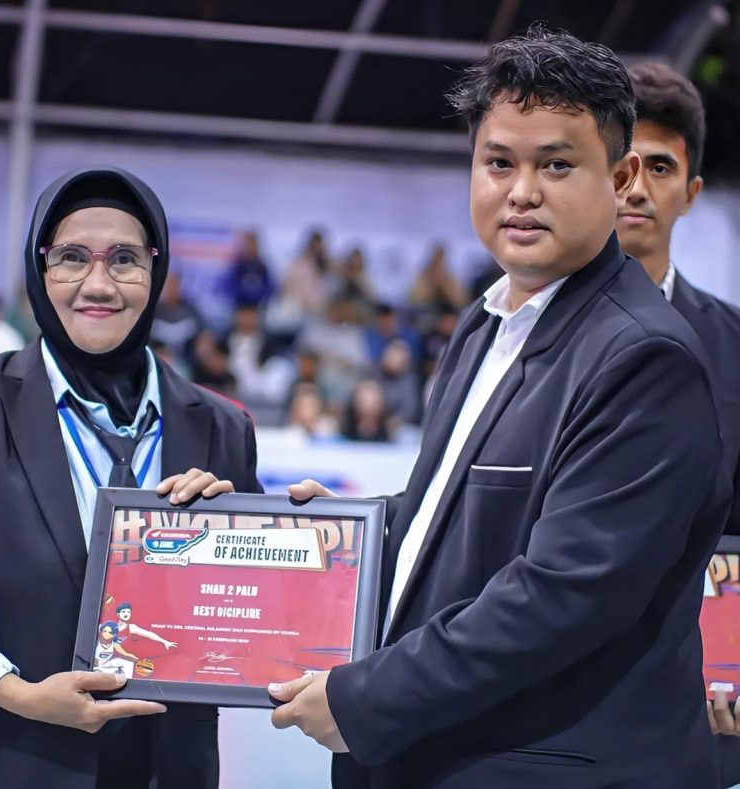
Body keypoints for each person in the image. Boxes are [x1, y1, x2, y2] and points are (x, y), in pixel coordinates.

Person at [273, 26, 731, 788]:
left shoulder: (646, 357)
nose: (522, 191)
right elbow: (468, 507)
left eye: (557, 164)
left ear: (619, 178)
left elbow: (562, 595)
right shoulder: (485, 323)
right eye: (499, 163)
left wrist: (366, 697)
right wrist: (350, 529)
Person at [0, 167, 262, 789]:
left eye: (124, 259)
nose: (98, 284)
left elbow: (249, 622)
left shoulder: (221, 428)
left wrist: (289, 539)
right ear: (39, 269)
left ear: (156, 272)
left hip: (161, 769)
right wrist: (16, 693)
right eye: (72, 257)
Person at [615, 61, 740, 786]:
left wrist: (734, 659)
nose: (636, 187)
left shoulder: (734, 347)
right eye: (623, 163)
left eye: (659, 166)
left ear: (690, 192)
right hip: (533, 711)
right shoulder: (507, 331)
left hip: (691, 706)